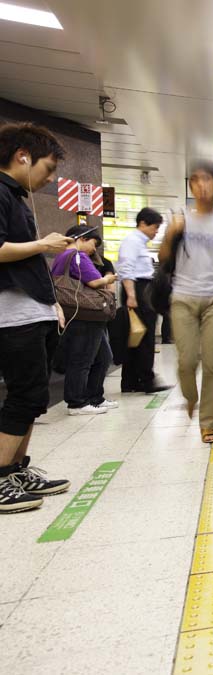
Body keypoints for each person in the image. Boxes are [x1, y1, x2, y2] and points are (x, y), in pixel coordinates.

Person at [0, 122, 72, 513]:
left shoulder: (15, 197)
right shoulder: (0, 193)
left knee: (33, 396)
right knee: (24, 394)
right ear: (22, 156)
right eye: (47, 169)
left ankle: (15, 470)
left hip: (31, 309)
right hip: (11, 313)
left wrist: (51, 302)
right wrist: (43, 244)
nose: (48, 179)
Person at [161, 160, 213, 444]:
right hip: (182, 298)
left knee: (212, 364)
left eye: (207, 180)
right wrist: (171, 233)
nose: (201, 185)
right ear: (190, 186)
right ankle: (189, 397)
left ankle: (208, 423)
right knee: (186, 361)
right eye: (195, 180)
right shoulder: (179, 217)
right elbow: (163, 258)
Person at [51, 226, 118, 415]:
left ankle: (94, 397)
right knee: (83, 358)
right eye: (92, 243)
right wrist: (109, 278)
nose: (93, 249)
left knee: (102, 357)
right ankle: (77, 402)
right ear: (81, 238)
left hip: (77, 313)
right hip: (86, 314)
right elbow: (95, 282)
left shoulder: (61, 258)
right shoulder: (76, 256)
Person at [117, 207, 171, 393]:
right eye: (154, 227)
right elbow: (126, 268)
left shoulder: (139, 243)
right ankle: (147, 380)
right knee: (145, 336)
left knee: (135, 337)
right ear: (142, 223)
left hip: (140, 290)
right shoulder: (133, 241)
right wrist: (131, 295)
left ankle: (131, 381)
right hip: (138, 290)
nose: (156, 232)